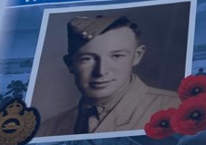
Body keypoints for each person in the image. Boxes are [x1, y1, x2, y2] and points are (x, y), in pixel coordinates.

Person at [38, 15, 178, 136]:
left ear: (137, 56)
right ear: (70, 64)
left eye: (116, 56)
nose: (101, 71)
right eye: (87, 59)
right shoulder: (47, 129)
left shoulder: (178, 109)